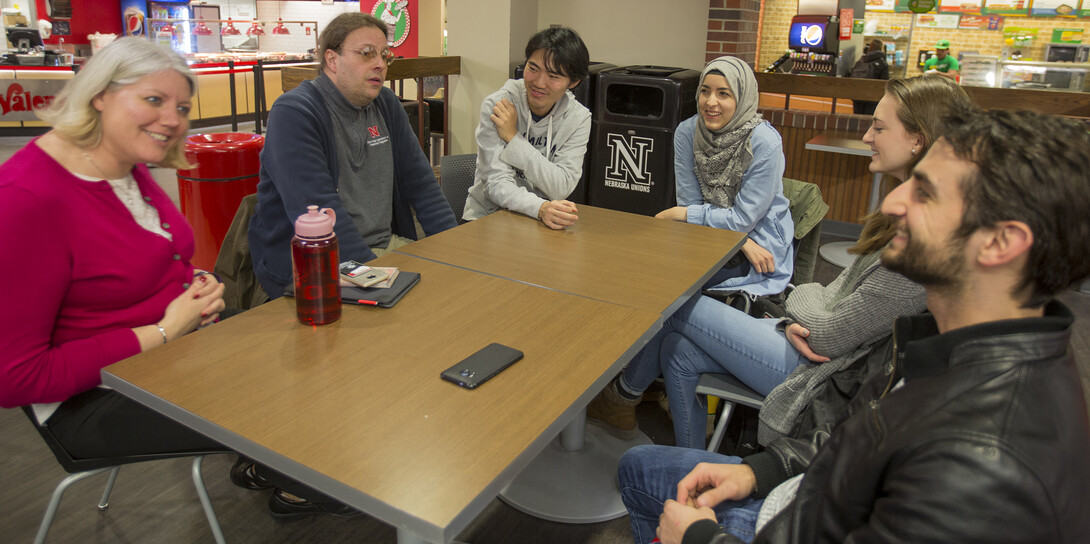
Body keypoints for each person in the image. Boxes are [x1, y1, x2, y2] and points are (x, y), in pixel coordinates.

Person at [490, 107, 1090, 544]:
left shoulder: (987, 465)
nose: (897, 200)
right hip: (803, 506)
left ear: (1002, 243)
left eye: (926, 190)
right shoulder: (956, 342)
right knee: (637, 468)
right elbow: (859, 441)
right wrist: (762, 469)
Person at [587, 76, 969, 449]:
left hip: (825, 373)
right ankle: (689, 463)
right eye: (706, 91)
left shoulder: (921, 241)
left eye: (879, 128)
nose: (868, 137)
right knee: (676, 349)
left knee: (673, 301)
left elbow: (829, 336)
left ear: (917, 140)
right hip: (810, 340)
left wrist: (795, 314)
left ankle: (619, 396)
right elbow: (828, 292)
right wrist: (800, 311)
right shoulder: (901, 215)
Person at [0, 38, 228, 462]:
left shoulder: (123, 161)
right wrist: (165, 330)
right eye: (154, 99)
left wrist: (196, 282)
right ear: (101, 94)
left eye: (182, 108)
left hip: (169, 357)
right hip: (92, 400)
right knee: (285, 403)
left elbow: (138, 260)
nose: (172, 120)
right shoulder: (25, 199)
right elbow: (17, 378)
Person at [248, 12, 457, 300]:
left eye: (385, 55)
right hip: (314, 266)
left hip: (383, 248)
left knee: (460, 295)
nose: (380, 64)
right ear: (332, 60)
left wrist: (456, 251)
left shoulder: (386, 104)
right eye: (366, 53)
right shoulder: (295, 113)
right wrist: (376, 282)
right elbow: (321, 212)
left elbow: (423, 187)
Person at [655, 56, 794, 297]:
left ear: (742, 98)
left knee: (678, 283)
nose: (710, 102)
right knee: (650, 263)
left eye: (723, 94)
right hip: (711, 235)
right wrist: (741, 242)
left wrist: (684, 214)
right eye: (705, 91)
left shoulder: (764, 142)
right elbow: (691, 201)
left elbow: (742, 221)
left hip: (759, 241)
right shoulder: (688, 132)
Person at [462, 26, 590, 229]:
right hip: (485, 219)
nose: (539, 82)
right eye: (533, 68)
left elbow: (561, 187)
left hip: (538, 223)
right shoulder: (499, 105)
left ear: (573, 82)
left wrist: (513, 138)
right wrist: (540, 208)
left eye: (554, 76)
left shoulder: (578, 118)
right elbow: (496, 184)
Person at [850, 39, 889, 115]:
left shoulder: (862, 60)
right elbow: (885, 82)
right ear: (881, 48)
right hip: (872, 97)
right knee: (869, 119)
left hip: (857, 95)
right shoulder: (882, 63)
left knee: (857, 117)